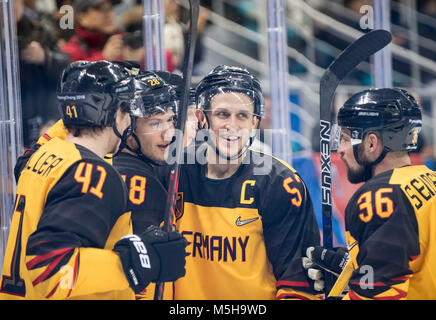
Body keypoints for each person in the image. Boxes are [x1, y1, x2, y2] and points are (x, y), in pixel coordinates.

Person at [0, 60, 187, 300]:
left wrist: (92, 89)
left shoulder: (45, 153)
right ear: (116, 114)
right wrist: (134, 264)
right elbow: (49, 268)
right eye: (126, 110)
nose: (130, 119)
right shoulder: (92, 172)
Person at [159, 65, 321, 299]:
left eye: (242, 116)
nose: (232, 126)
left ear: (254, 122)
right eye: (222, 114)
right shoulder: (173, 172)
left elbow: (296, 282)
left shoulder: (281, 183)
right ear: (202, 118)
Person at [303, 88, 436, 299]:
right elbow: (409, 261)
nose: (340, 150)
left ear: (371, 143)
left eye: (345, 138)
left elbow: (380, 293)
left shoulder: (380, 197)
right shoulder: (429, 178)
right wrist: (355, 265)